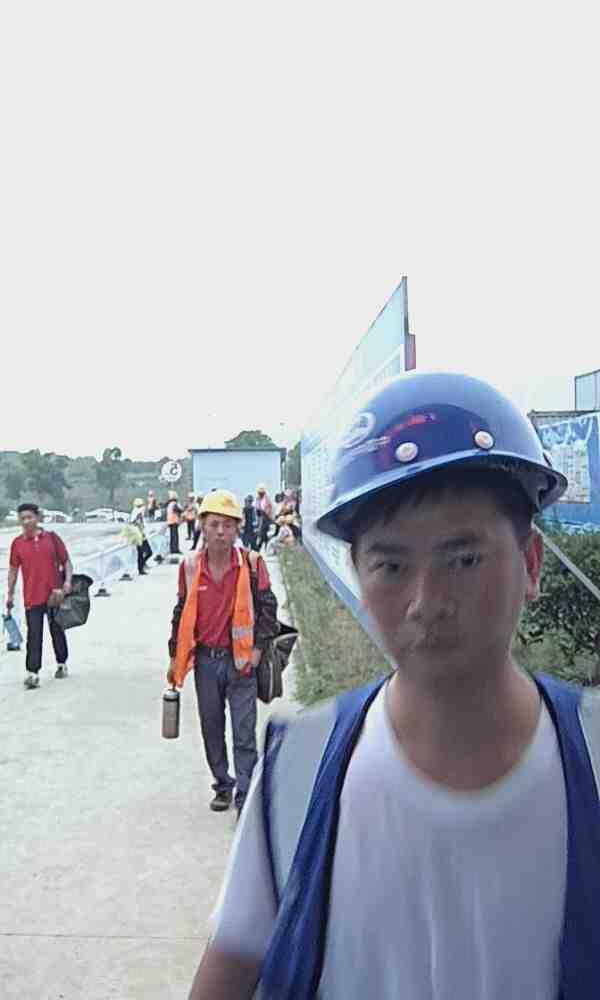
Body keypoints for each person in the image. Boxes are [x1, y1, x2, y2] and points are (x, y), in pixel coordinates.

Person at [189, 370, 600, 1000]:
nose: (426, 603)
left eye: (464, 559)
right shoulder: (300, 770)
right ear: (359, 575)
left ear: (531, 564)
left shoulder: (593, 759)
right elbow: (231, 965)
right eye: (391, 565)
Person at [167, 489, 278, 818]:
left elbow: (268, 609)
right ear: (202, 525)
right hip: (205, 661)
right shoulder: (190, 567)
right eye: (214, 524)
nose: (220, 532)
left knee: (244, 733)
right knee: (211, 728)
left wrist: (257, 650)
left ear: (237, 529)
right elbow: (180, 612)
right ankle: (222, 784)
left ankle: (246, 797)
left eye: (228, 525)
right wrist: (175, 656)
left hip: (241, 662)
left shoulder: (252, 564)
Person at [6, 502, 73, 690]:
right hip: (32, 597)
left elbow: (66, 562)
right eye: (22, 518)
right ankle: (32, 673)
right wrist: (10, 594)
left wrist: (67, 582)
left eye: (29, 517)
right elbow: (13, 570)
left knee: (57, 631)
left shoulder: (51, 538)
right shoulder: (17, 544)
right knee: (34, 635)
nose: (26, 521)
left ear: (37, 518)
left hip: (54, 595)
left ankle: (62, 663)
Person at [130, 498, 150, 575]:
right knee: (141, 553)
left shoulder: (139, 513)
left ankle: (142, 565)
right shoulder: (137, 513)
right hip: (138, 535)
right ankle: (140, 569)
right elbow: (134, 523)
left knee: (148, 552)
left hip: (142, 535)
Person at [255, 483, 273, 552]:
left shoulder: (267, 499)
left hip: (266, 518)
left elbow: (269, 510)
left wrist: (265, 513)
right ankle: (260, 547)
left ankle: (262, 547)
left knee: (263, 534)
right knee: (261, 534)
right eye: (259, 492)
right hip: (260, 517)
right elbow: (257, 509)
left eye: (261, 492)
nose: (260, 494)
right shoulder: (257, 499)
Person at [166, 490, 182, 555]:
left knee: (172, 536)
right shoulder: (174, 504)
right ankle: (175, 549)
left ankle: (172, 549)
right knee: (175, 536)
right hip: (174, 521)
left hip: (170, 521)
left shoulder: (169, 504)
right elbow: (180, 510)